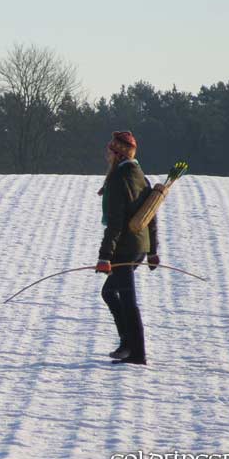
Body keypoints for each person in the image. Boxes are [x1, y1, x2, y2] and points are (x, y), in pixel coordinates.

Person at [96, 131, 159, 365]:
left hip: (124, 249)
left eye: (110, 151)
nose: (106, 154)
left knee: (128, 300)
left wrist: (105, 257)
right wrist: (152, 251)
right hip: (139, 248)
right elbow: (152, 217)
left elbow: (115, 224)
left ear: (118, 154)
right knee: (110, 292)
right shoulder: (140, 175)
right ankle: (127, 344)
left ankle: (137, 353)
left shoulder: (118, 180)